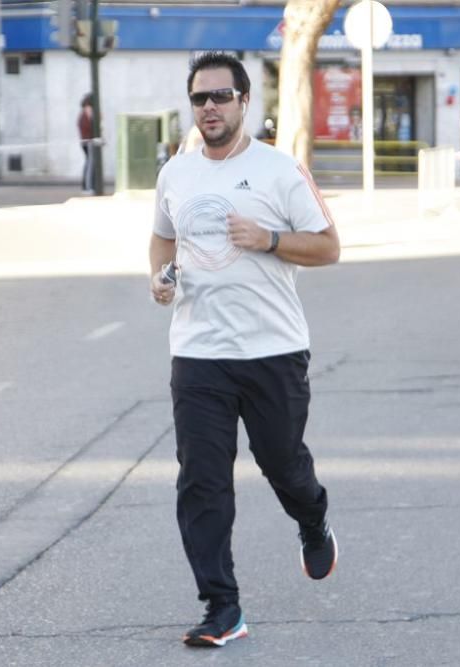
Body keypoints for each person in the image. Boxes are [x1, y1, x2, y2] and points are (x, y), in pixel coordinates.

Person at [149, 51, 340, 649]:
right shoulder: (175, 173)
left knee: (281, 461)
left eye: (220, 97)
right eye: (200, 99)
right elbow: (162, 241)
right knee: (201, 481)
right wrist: (159, 279)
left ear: (244, 102)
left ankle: (312, 518)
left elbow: (329, 247)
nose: (209, 108)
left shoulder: (280, 170)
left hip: (273, 350)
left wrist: (270, 239)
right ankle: (222, 607)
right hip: (198, 353)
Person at [77, 93, 95, 194]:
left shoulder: (83, 112)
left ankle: (88, 186)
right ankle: (88, 187)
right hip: (88, 141)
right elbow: (90, 126)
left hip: (87, 141)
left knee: (89, 163)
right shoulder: (87, 112)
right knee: (90, 164)